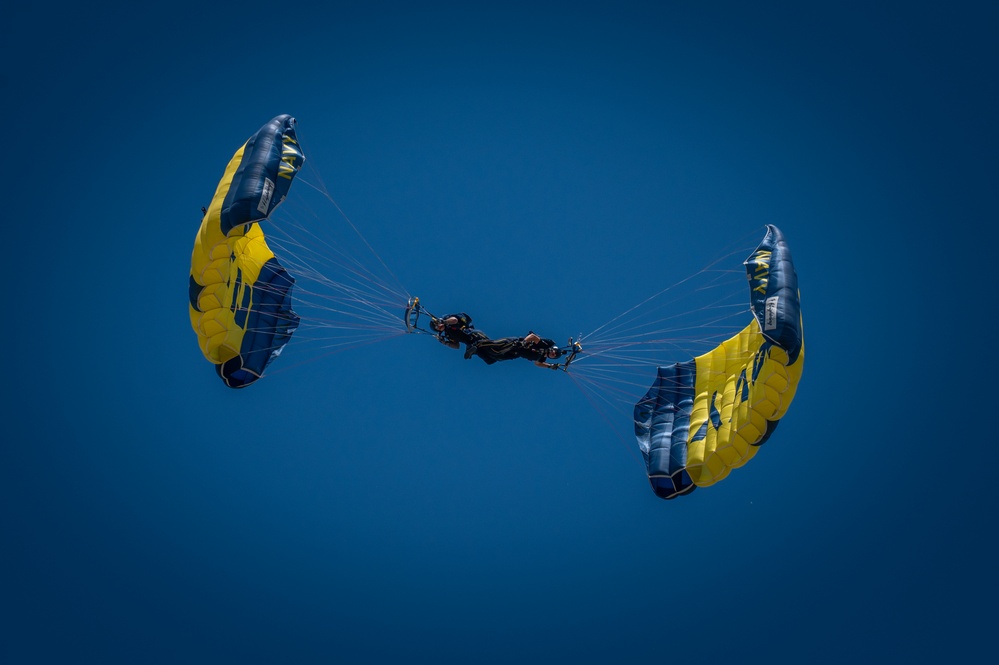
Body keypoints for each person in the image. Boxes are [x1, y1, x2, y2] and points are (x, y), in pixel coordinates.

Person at [468, 332, 562, 369]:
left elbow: (537, 363)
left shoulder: (541, 358)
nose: (553, 353)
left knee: (492, 358)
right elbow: (533, 337)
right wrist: (524, 342)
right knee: (496, 346)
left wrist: (550, 366)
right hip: (515, 344)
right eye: (554, 352)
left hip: (514, 354)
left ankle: (475, 350)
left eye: (554, 355)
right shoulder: (543, 345)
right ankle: (477, 344)